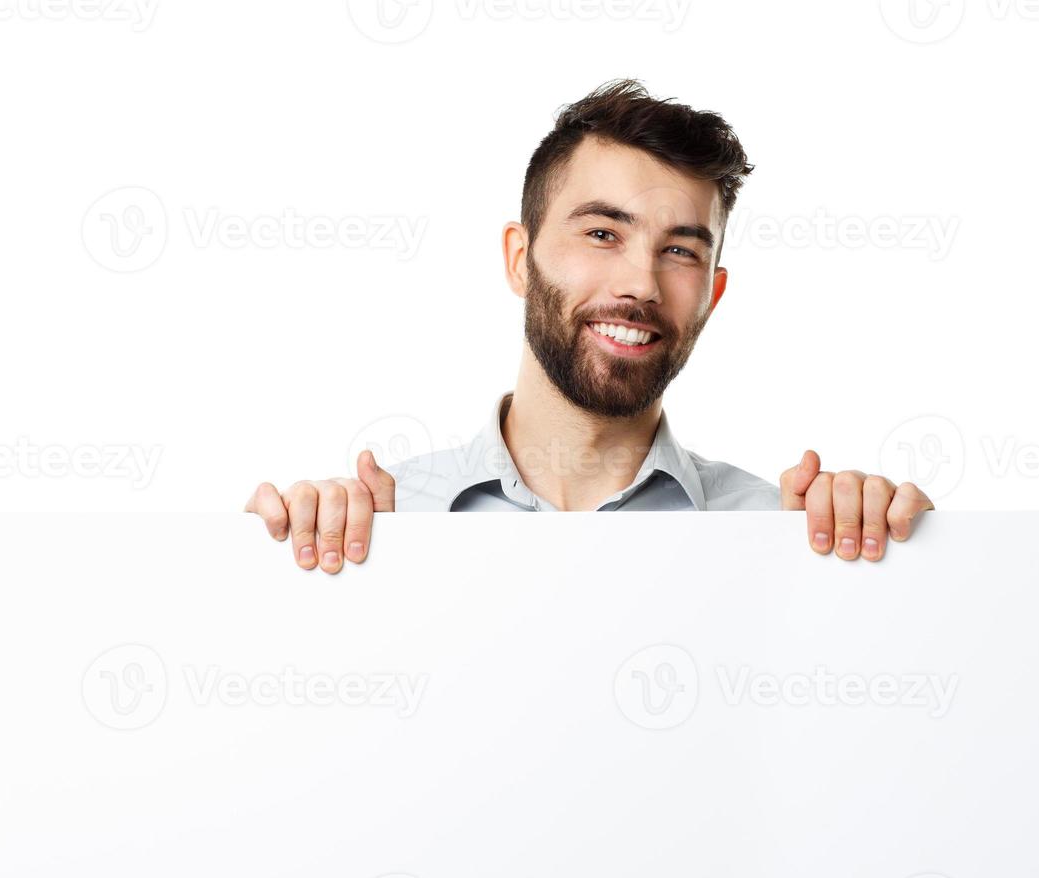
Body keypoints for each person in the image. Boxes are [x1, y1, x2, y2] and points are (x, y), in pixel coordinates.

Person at [245, 79, 933, 573]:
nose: (640, 283)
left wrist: (897, 559)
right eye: (603, 232)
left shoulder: (783, 535)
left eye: (681, 250)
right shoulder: (379, 527)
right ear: (520, 259)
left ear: (712, 294)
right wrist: (275, 568)